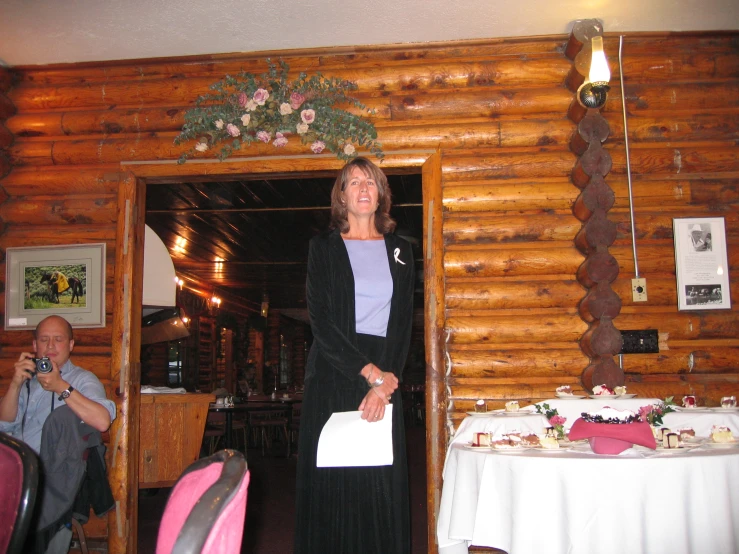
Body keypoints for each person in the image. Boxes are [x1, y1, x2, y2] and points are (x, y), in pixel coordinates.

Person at [294, 157, 415, 553]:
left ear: (381, 195)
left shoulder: (401, 252)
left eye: (371, 182)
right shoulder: (322, 248)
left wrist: (384, 384)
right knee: (335, 481)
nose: (363, 189)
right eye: (353, 182)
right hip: (334, 372)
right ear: (341, 197)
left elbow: (402, 325)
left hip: (386, 376)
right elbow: (323, 324)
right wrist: (370, 374)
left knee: (379, 480)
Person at [0, 315, 116, 552]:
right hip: (15, 473)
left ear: (71, 345)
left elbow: (103, 421)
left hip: (53, 482)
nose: (50, 346)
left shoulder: (82, 380)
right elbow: (3, 425)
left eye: (58, 340)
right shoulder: (27, 381)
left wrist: (60, 386)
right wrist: (14, 384)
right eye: (44, 340)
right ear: (34, 346)